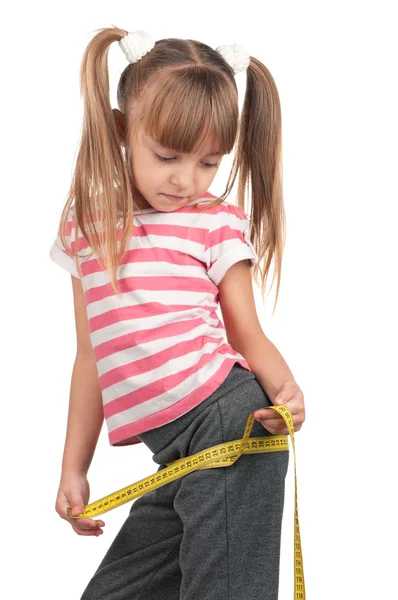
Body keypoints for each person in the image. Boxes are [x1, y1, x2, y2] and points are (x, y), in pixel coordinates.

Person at [50, 26, 306, 600]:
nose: (186, 180)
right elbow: (90, 354)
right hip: (175, 452)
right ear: (122, 130)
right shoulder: (87, 226)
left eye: (208, 163)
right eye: (167, 155)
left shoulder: (215, 221)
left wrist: (287, 391)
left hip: (229, 421)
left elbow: (247, 331)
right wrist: (74, 466)